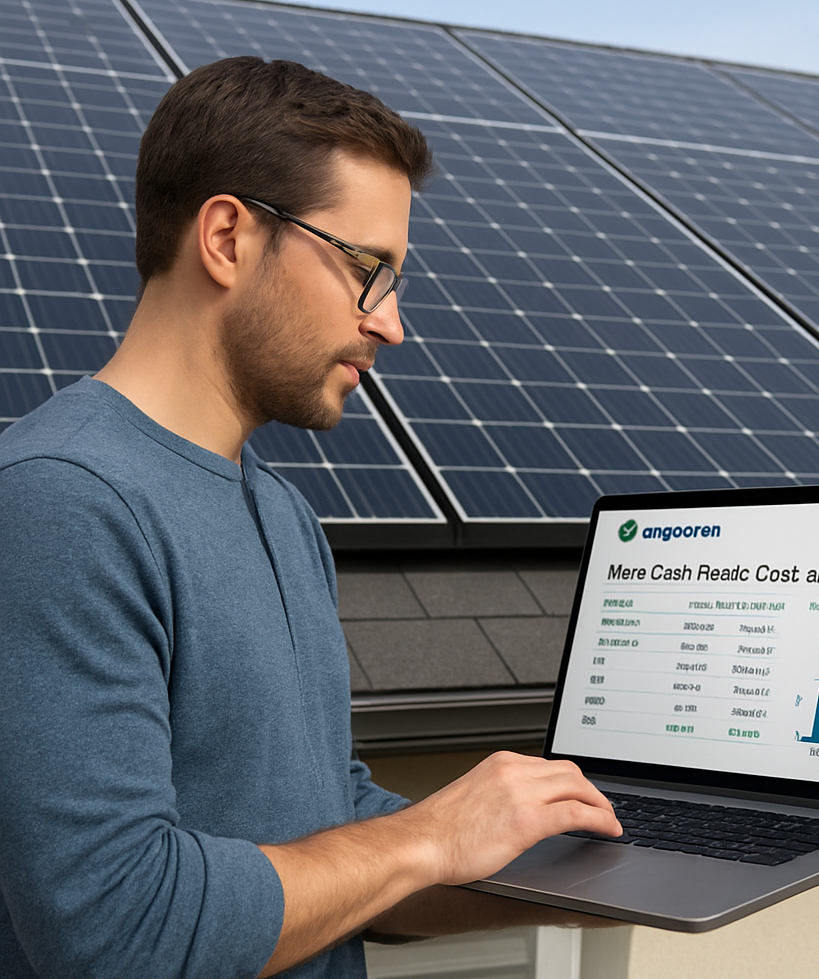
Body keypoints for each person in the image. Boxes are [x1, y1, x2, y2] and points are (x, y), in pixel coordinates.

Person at [0, 57, 621, 979]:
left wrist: (594, 874)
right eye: (369, 268)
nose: (392, 323)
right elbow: (116, 928)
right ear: (228, 238)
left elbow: (327, 839)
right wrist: (431, 836)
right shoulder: (62, 502)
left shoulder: (283, 514)